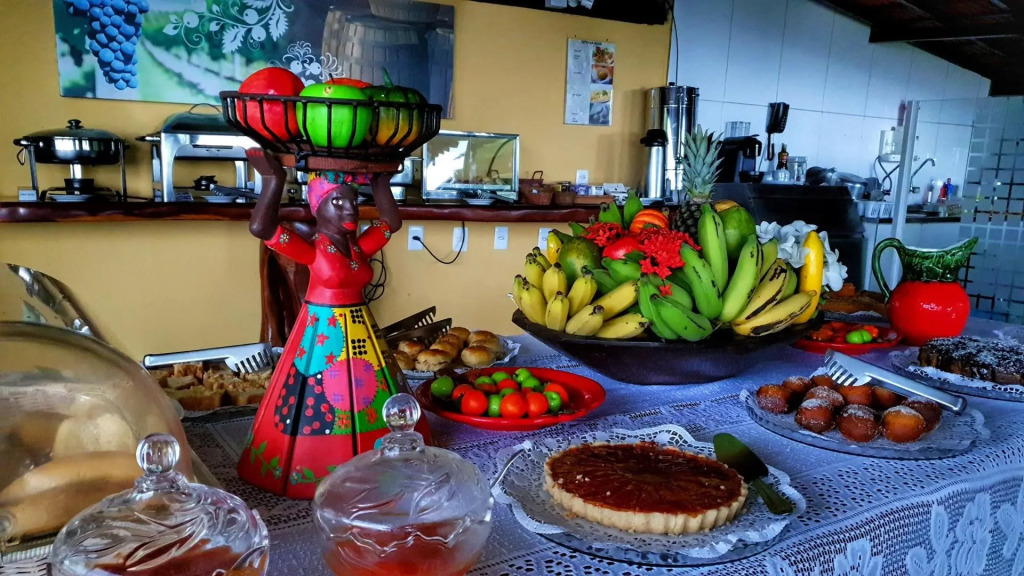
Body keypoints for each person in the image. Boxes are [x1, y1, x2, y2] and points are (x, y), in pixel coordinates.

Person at [237, 149, 425, 499]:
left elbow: (390, 222)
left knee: (372, 404)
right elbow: (262, 228)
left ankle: (381, 468)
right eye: (337, 202)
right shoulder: (313, 250)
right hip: (321, 338)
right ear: (317, 208)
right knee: (320, 408)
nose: (350, 209)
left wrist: (381, 182)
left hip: (363, 338)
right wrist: (273, 180)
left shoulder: (358, 250)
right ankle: (316, 469)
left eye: (353, 201)